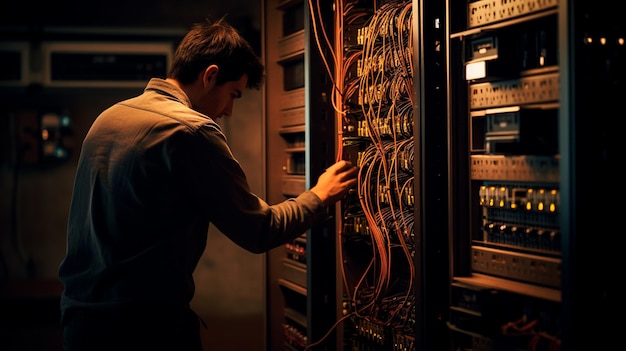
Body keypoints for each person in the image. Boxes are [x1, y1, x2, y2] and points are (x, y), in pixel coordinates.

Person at [57, 16, 358, 351]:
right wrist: (319, 195)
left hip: (80, 322)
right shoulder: (191, 131)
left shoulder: (108, 117)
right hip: (144, 330)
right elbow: (259, 230)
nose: (228, 110)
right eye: (233, 95)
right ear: (210, 75)